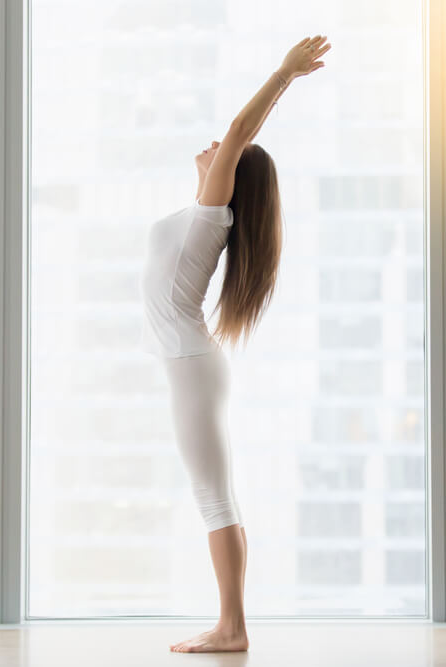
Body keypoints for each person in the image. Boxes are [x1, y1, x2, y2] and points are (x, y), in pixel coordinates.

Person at [139, 35, 331, 653]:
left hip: (192, 367)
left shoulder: (213, 213)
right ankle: (232, 625)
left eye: (227, 151)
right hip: (190, 365)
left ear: (234, 171)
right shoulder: (202, 213)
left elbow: (239, 125)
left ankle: (232, 627)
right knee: (216, 494)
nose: (216, 146)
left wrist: (283, 74)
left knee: (212, 497)